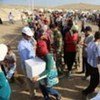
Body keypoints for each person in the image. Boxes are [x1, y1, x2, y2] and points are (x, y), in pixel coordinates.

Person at [35, 33, 61, 100]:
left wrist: (38, 76)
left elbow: (48, 70)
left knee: (48, 88)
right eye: (38, 47)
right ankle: (46, 97)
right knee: (42, 87)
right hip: (42, 73)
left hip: (48, 74)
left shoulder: (48, 56)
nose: (39, 48)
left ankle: (57, 94)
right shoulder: (39, 53)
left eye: (40, 48)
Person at [18, 26, 36, 99]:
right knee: (30, 81)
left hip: (31, 63)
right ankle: (32, 96)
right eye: (28, 36)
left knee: (32, 80)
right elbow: (26, 59)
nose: (30, 37)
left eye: (30, 35)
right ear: (23, 35)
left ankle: (32, 91)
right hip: (27, 65)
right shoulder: (22, 45)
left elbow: (33, 42)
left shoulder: (28, 40)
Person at [82, 31, 100, 100]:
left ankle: (90, 90)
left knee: (93, 79)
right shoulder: (97, 45)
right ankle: (86, 92)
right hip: (94, 65)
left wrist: (84, 44)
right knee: (96, 82)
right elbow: (99, 57)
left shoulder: (91, 42)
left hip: (89, 63)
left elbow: (87, 48)